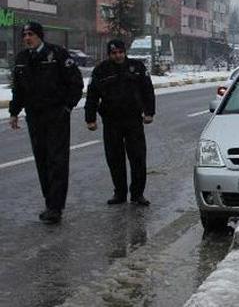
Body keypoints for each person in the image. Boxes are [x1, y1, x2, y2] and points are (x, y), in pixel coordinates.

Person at [9, 21, 84, 224]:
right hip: (35, 117)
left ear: (39, 36)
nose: (27, 38)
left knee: (57, 161)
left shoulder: (57, 54)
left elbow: (76, 83)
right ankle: (49, 202)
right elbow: (18, 89)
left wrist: (67, 107)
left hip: (56, 116)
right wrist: (14, 112)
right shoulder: (23, 59)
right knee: (42, 160)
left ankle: (55, 207)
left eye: (31, 34)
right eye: (24, 35)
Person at [85, 39, 155, 206]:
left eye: (120, 52)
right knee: (114, 159)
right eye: (114, 53)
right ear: (109, 54)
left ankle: (138, 194)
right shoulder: (101, 70)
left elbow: (147, 90)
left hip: (133, 120)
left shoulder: (137, 67)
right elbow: (92, 95)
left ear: (125, 52)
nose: (118, 56)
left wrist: (149, 112)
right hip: (111, 121)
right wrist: (90, 118)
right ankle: (120, 193)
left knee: (138, 157)